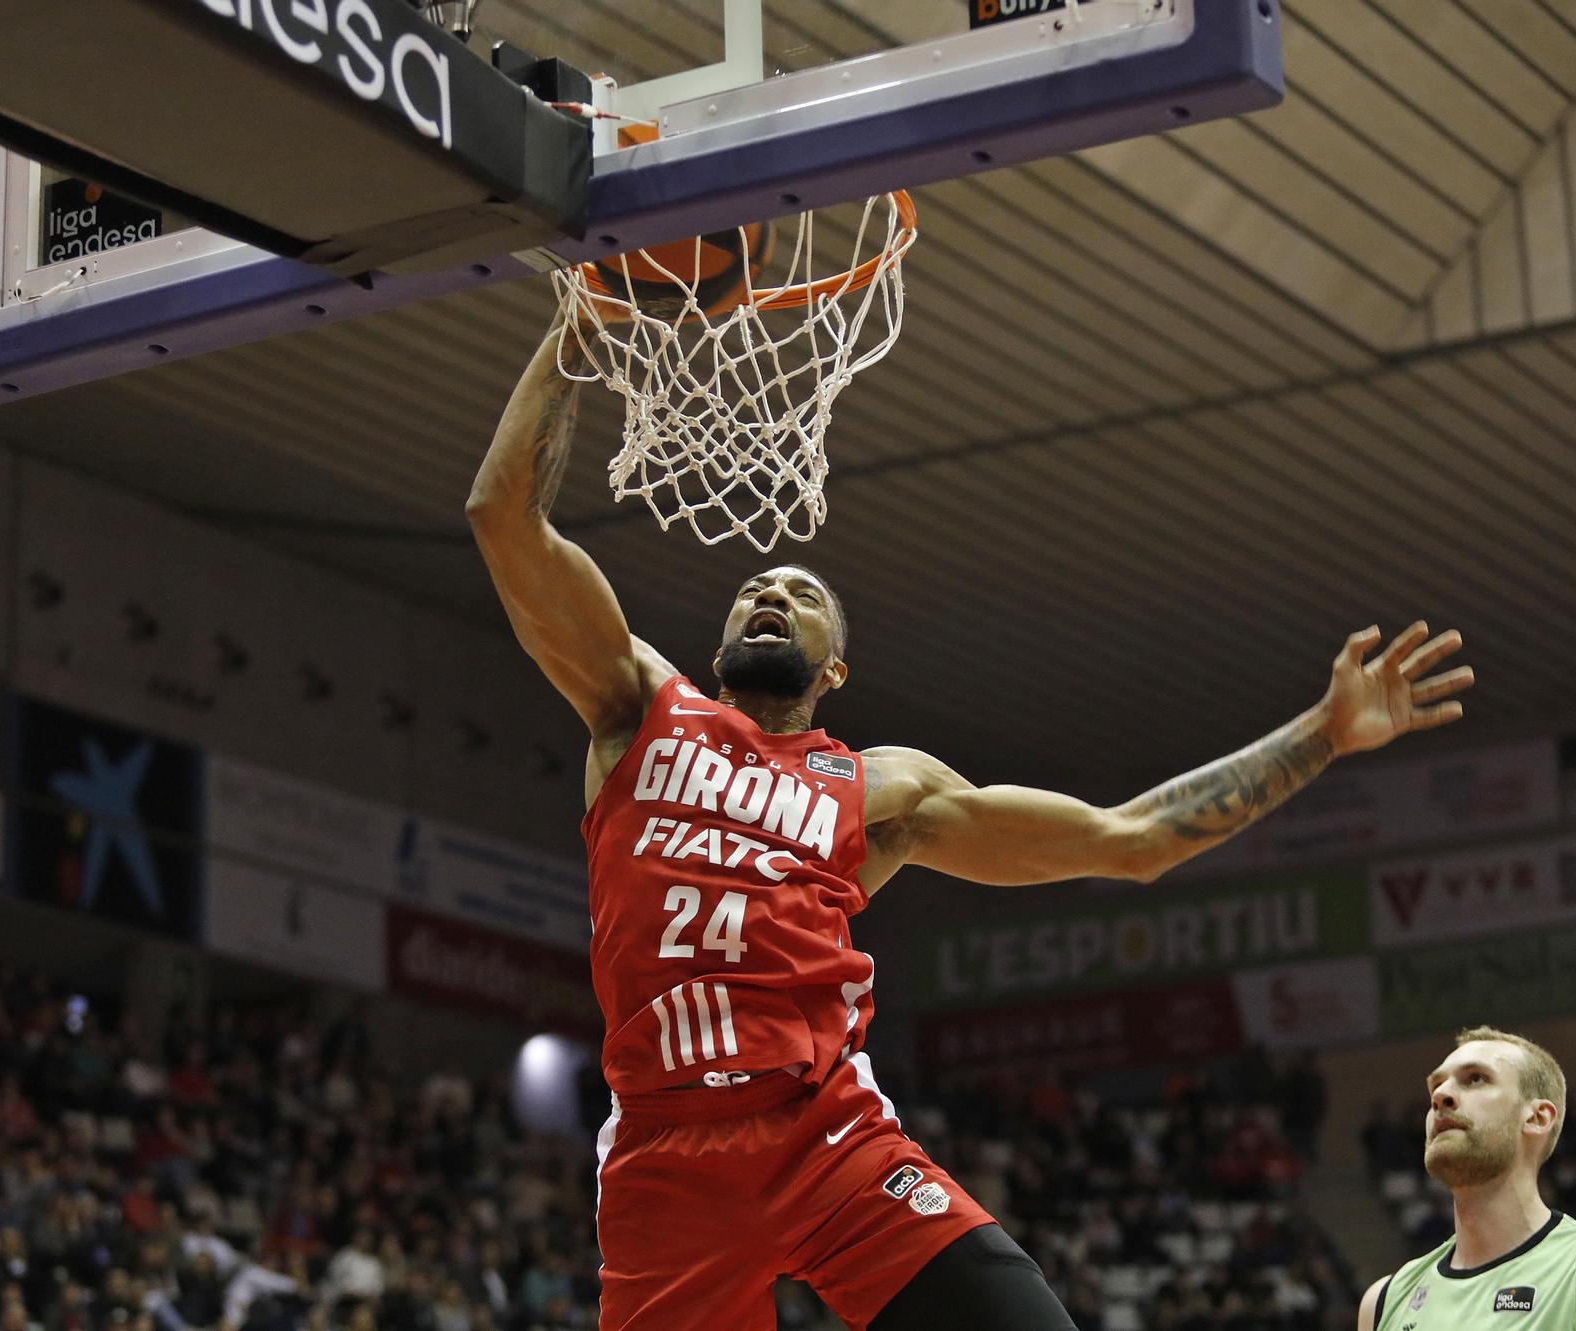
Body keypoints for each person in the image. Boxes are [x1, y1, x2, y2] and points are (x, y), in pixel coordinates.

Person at [468, 319, 1478, 1331]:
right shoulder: (639, 706)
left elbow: (1129, 839)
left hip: (820, 1132)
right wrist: (574, 333)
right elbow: (502, 515)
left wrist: (1325, 732)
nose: (771, 590)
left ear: (833, 669)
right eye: (752, 589)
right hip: (663, 1151)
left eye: (802, 594)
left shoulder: (881, 789)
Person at [1356, 1027, 1576, 1331]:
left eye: (1475, 1079)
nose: (1441, 1096)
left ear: (1538, 1118)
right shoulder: (1383, 1303)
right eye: (1435, 1086)